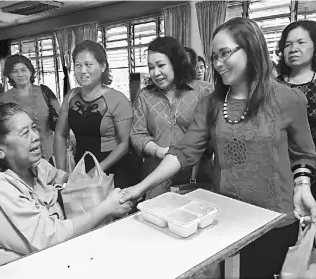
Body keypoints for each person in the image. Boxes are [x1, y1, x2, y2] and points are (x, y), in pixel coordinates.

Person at [121, 17, 316, 279]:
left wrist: (303, 185)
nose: (218, 64)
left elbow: (303, 152)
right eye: (214, 57)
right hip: (227, 217)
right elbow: (183, 152)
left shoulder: (287, 98)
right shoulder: (211, 104)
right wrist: (139, 188)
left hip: (276, 218)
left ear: (251, 48)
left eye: (225, 54)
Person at [0, 102, 132, 279]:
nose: (36, 137)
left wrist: (89, 184)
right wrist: (106, 208)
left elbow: (60, 177)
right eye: (25, 133)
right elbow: (49, 237)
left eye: (34, 128)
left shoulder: (34, 166)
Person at [130, 37, 213, 199]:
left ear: (176, 63)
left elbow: (213, 132)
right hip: (157, 177)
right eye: (150, 67)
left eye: (161, 65)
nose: (155, 73)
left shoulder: (203, 91)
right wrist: (158, 151)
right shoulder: (145, 96)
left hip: (196, 176)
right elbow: (137, 134)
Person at [54, 40, 134, 189]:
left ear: (103, 66)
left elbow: (124, 144)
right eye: (78, 65)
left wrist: (95, 171)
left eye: (88, 65)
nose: (83, 70)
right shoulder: (71, 97)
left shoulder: (118, 99)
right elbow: (60, 135)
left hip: (112, 167)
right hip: (82, 164)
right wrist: (60, 172)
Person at [0, 54, 60, 161]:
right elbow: (1, 129)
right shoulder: (3, 99)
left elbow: (61, 119)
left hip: (51, 152)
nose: (20, 74)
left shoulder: (44, 92)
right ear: (9, 75)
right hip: (22, 156)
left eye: (23, 70)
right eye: (15, 71)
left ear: (30, 72)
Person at [276, 20, 316, 144]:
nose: (293, 49)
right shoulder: (272, 86)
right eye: (288, 44)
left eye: (301, 42)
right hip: (280, 158)